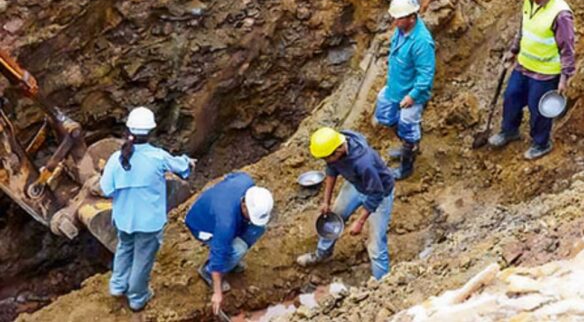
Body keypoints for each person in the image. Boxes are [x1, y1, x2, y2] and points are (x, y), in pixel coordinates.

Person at [100, 106, 194, 311]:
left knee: (124, 248)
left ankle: (117, 285)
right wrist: (188, 162)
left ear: (128, 130)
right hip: (149, 222)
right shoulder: (157, 157)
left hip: (124, 218)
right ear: (151, 132)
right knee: (142, 259)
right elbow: (183, 169)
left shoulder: (116, 159)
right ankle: (137, 297)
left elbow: (106, 188)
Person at [489, 0, 575, 160]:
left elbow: (568, 49)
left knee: (539, 109)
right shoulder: (529, 2)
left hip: (546, 73)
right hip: (524, 65)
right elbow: (523, 29)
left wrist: (564, 78)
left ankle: (541, 143)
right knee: (511, 97)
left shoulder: (561, 14)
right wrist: (513, 50)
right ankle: (509, 130)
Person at [296, 127, 395, 280]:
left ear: (339, 150)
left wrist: (360, 221)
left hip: (380, 193)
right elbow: (331, 169)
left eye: (327, 158)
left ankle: (381, 286)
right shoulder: (335, 145)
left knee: (376, 245)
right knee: (332, 219)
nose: (326, 161)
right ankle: (322, 254)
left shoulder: (364, 162)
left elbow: (376, 193)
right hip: (356, 185)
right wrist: (326, 201)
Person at [184, 172, 274, 315]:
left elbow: (229, 177)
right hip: (202, 225)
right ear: (244, 205)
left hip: (222, 214)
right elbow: (218, 254)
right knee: (237, 249)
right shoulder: (225, 223)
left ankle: (232, 258)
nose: (252, 219)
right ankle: (207, 272)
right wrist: (217, 293)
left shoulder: (246, 181)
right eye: (251, 216)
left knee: (257, 228)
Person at [374, 0, 436, 179]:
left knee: (408, 125)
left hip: (411, 94)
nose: (394, 22)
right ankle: (405, 144)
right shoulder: (401, 31)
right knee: (384, 113)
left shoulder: (422, 42)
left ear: (411, 18)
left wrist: (412, 96)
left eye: (398, 19)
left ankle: (407, 164)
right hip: (395, 88)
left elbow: (426, 74)